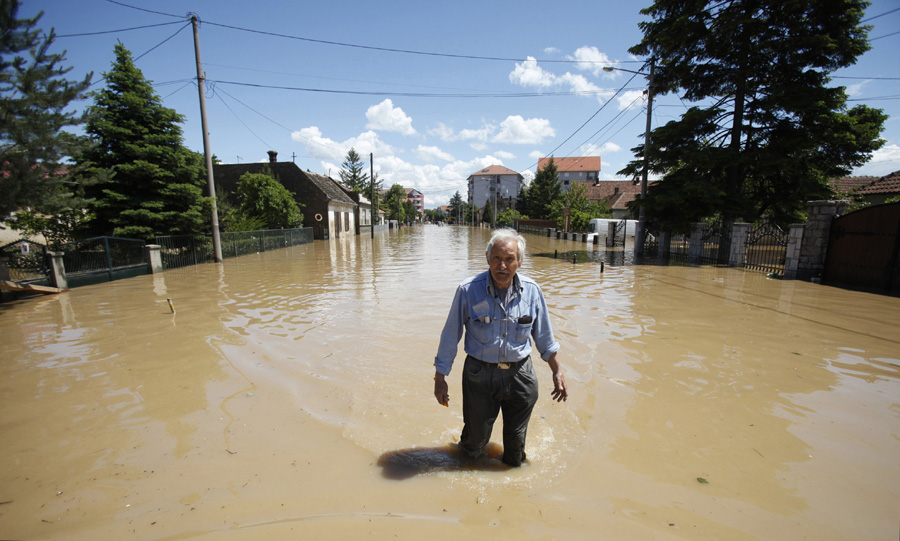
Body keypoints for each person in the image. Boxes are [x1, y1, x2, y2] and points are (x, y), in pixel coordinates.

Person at [433, 228, 567, 467]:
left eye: (509, 259)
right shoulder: (468, 290)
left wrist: (557, 370)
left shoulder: (532, 291)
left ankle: (512, 480)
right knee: (475, 441)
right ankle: (468, 468)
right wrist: (440, 377)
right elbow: (450, 335)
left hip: (520, 375)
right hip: (479, 375)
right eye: (496, 258)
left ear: (519, 262)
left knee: (516, 446)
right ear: (487, 258)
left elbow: (544, 337)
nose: (502, 265)